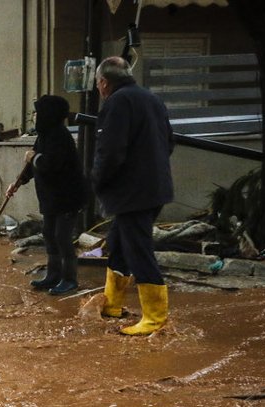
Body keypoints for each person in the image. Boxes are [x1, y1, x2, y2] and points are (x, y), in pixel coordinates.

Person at [92, 56, 174, 336]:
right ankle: (111, 305)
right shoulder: (152, 100)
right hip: (155, 187)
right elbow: (169, 142)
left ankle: (155, 318)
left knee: (138, 250)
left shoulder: (117, 103)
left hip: (132, 192)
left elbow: (110, 152)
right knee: (118, 242)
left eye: (97, 84)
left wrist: (97, 181)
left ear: (103, 83)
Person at [7, 95, 88, 295]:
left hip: (67, 197)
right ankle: (53, 275)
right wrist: (17, 183)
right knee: (49, 234)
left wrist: (35, 158)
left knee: (62, 236)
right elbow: (32, 165)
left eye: (37, 112)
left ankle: (69, 279)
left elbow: (50, 165)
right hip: (51, 198)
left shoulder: (60, 136)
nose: (34, 116)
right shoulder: (44, 135)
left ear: (48, 114)